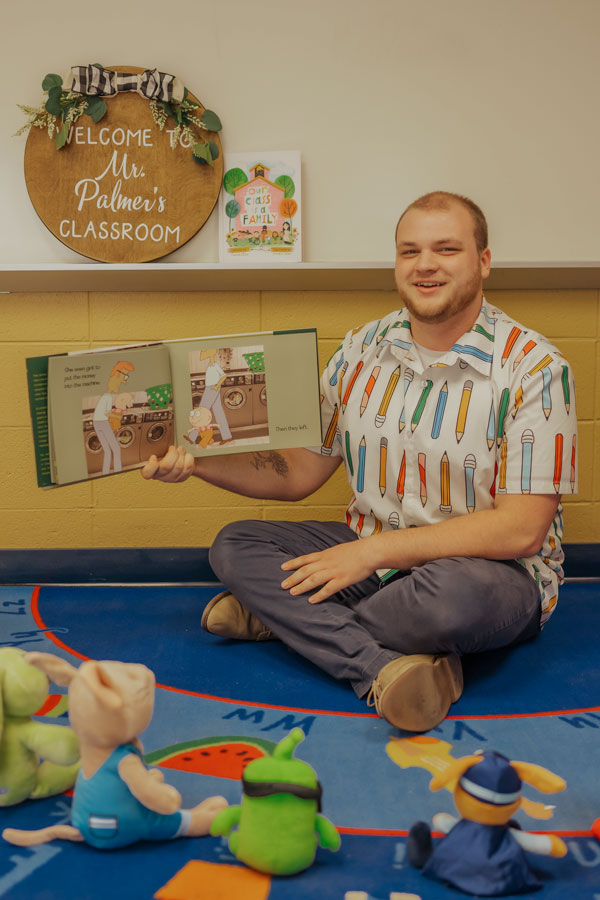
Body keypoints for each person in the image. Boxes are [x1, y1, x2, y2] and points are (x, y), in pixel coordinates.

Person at [142, 192, 578, 733]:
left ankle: (286, 620)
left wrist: (371, 554)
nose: (425, 264)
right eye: (409, 250)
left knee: (449, 605)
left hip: (487, 575)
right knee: (235, 544)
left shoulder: (535, 368)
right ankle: (385, 666)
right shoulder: (360, 350)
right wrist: (197, 463)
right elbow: (300, 471)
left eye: (446, 249)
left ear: (483, 261)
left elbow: (521, 531)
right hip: (369, 561)